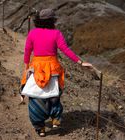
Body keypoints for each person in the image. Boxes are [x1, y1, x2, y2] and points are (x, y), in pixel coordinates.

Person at [20, 9, 93, 137]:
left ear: (38, 21)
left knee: (35, 97)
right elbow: (65, 49)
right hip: (53, 68)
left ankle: (40, 128)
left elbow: (27, 50)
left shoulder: (32, 33)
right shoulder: (56, 33)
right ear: (52, 21)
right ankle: (55, 118)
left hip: (36, 68)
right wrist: (80, 62)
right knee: (54, 95)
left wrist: (27, 66)